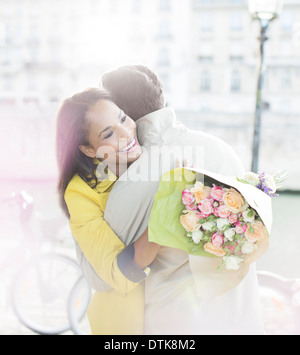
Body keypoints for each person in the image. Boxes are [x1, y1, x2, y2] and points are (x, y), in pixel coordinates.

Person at [77, 64, 265, 335]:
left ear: (120, 114)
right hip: (241, 320)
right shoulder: (223, 151)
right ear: (161, 96)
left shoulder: (133, 182)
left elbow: (102, 277)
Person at [56, 88, 161, 334]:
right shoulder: (80, 193)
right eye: (109, 133)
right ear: (89, 150)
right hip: (125, 322)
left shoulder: (152, 153)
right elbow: (119, 273)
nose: (126, 133)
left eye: (123, 118)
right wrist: (169, 210)